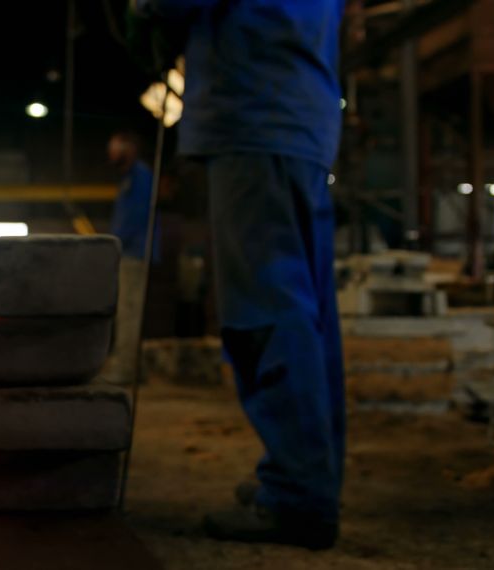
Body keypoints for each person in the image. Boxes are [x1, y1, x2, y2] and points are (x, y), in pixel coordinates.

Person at [129, 0, 346, 550]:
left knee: (268, 309)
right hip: (299, 117)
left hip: (254, 110)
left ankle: (298, 497)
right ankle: (306, 479)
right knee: (306, 310)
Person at [105, 131, 159, 386]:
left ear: (130, 150)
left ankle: (126, 369)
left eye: (116, 149)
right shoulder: (131, 177)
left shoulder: (139, 177)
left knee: (128, 311)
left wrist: (114, 244)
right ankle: (135, 367)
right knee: (130, 310)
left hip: (135, 253)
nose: (111, 155)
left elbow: (135, 217)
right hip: (131, 251)